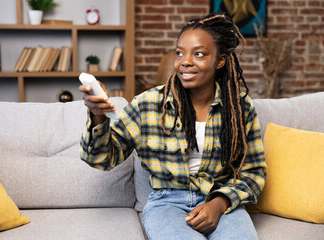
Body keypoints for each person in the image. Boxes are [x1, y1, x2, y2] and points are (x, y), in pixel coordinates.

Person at [79, 13, 266, 240]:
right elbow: (101, 158)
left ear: (220, 60)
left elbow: (254, 171)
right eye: (180, 52)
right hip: (167, 204)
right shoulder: (147, 105)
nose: (185, 61)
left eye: (199, 54)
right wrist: (98, 117)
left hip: (220, 199)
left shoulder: (239, 107)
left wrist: (220, 203)